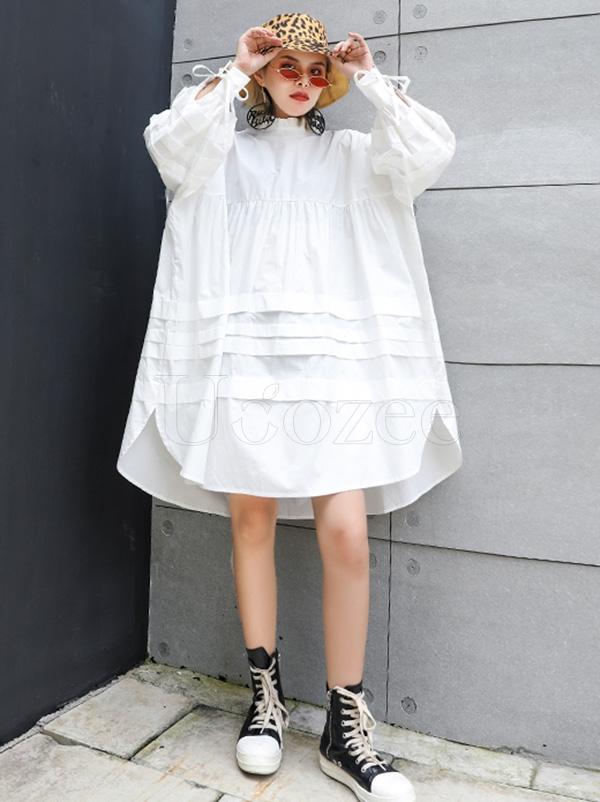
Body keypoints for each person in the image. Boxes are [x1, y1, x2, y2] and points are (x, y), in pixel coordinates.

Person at [117, 11, 461, 802]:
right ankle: (264, 701)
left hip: (333, 370)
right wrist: (236, 67)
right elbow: (170, 145)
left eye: (315, 72)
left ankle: (346, 727)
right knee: (251, 524)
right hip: (247, 360)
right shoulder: (222, 154)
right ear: (264, 75)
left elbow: (428, 150)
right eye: (286, 68)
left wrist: (368, 77)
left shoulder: (354, 155)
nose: (303, 83)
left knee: (346, 533)